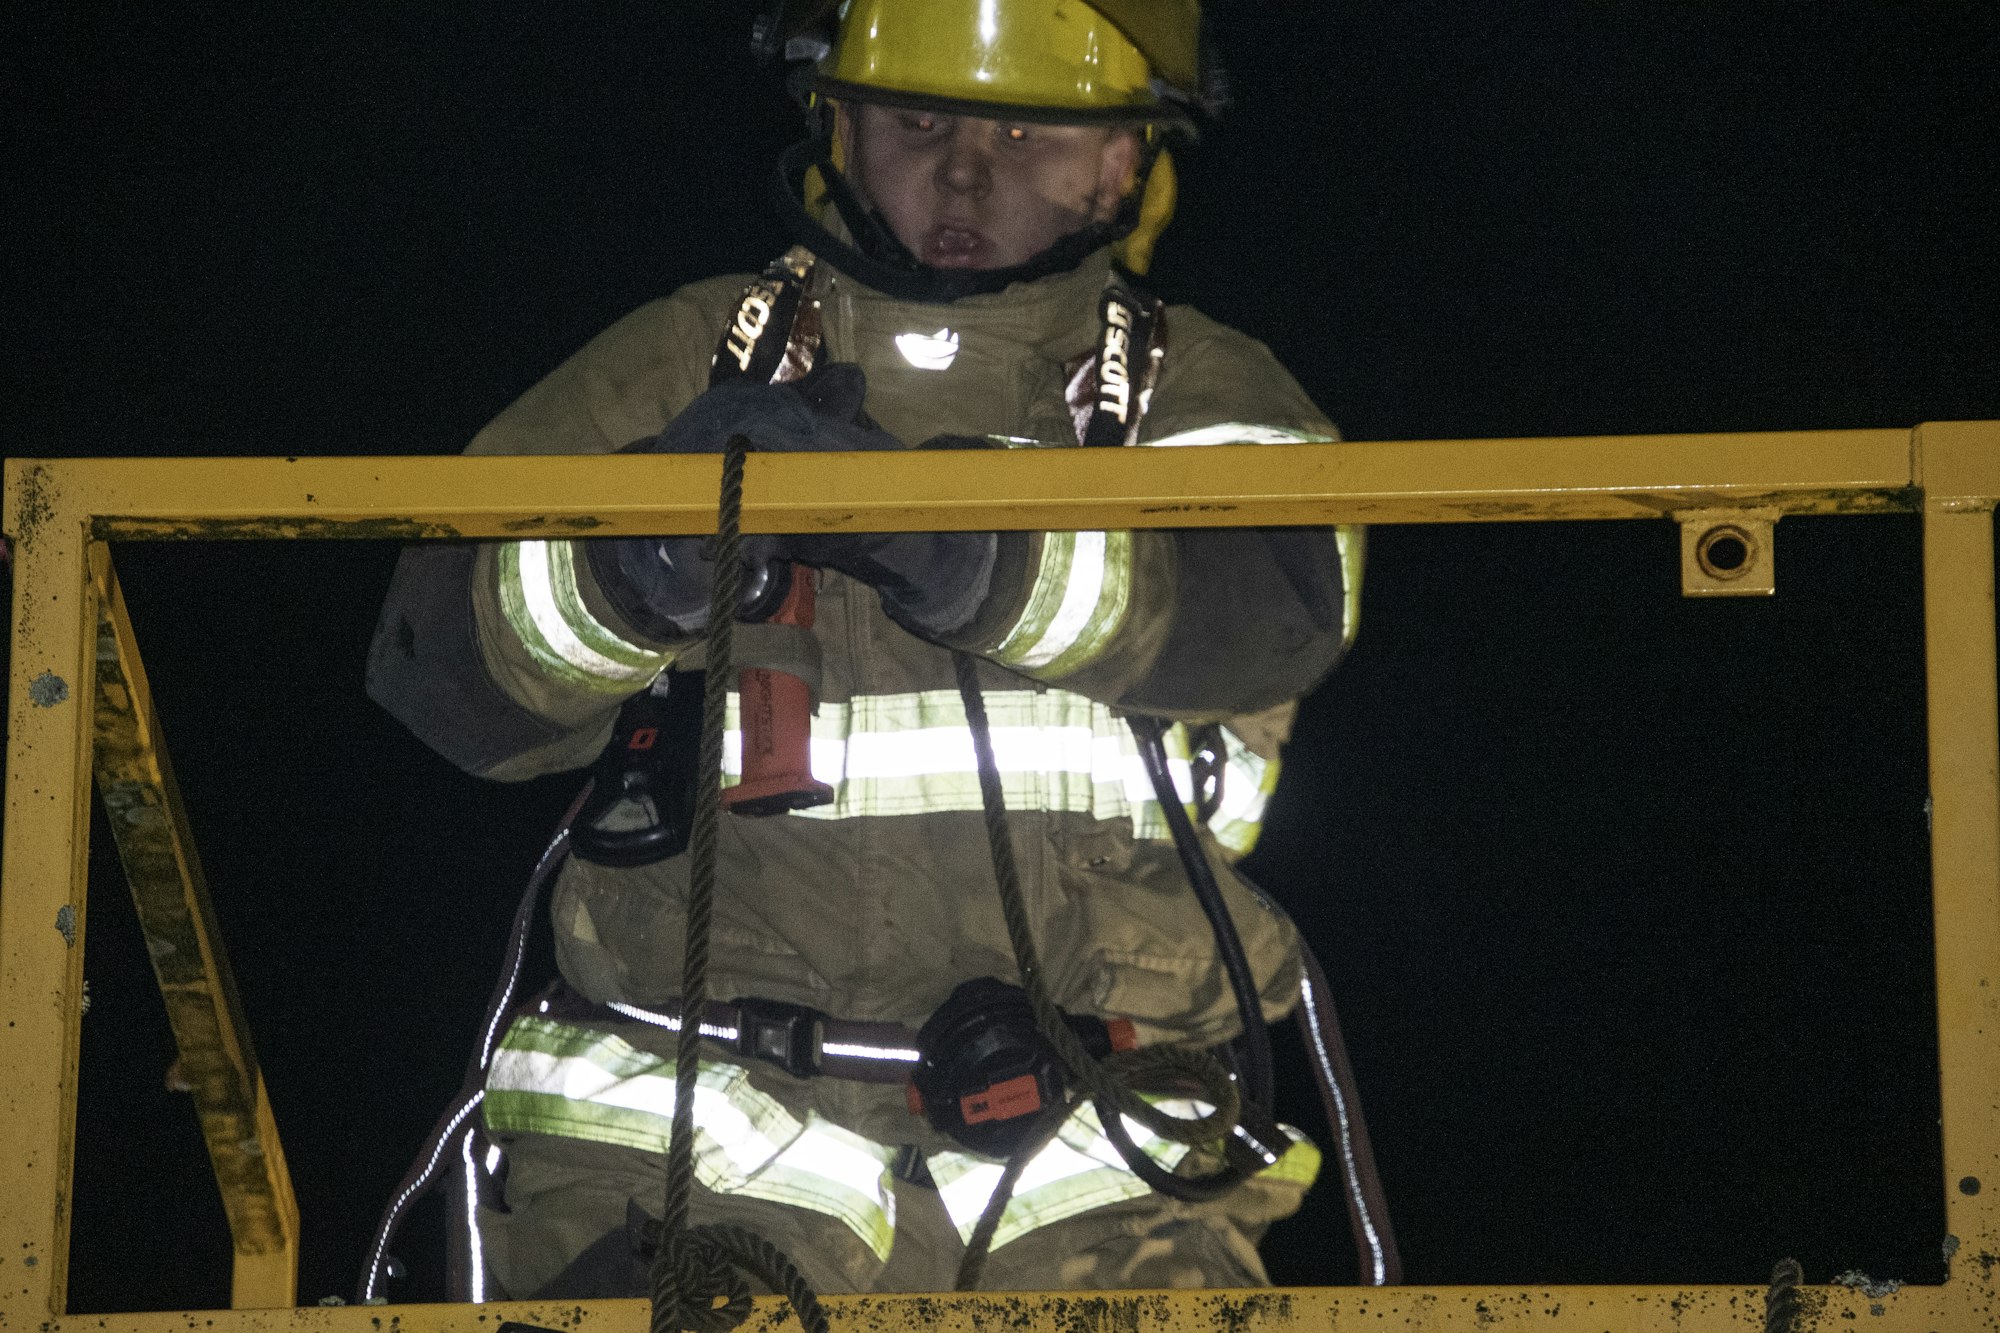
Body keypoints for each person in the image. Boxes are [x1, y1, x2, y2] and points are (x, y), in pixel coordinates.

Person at [367, 0, 1362, 1298]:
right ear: (832, 116)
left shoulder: (1202, 399)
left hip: (1098, 1149)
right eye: (918, 118)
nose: (962, 168)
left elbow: (1272, 612)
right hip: (687, 1140)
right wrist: (637, 560)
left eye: (1024, 129)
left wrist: (965, 542)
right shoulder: (688, 358)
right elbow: (435, 666)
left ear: (1125, 159)